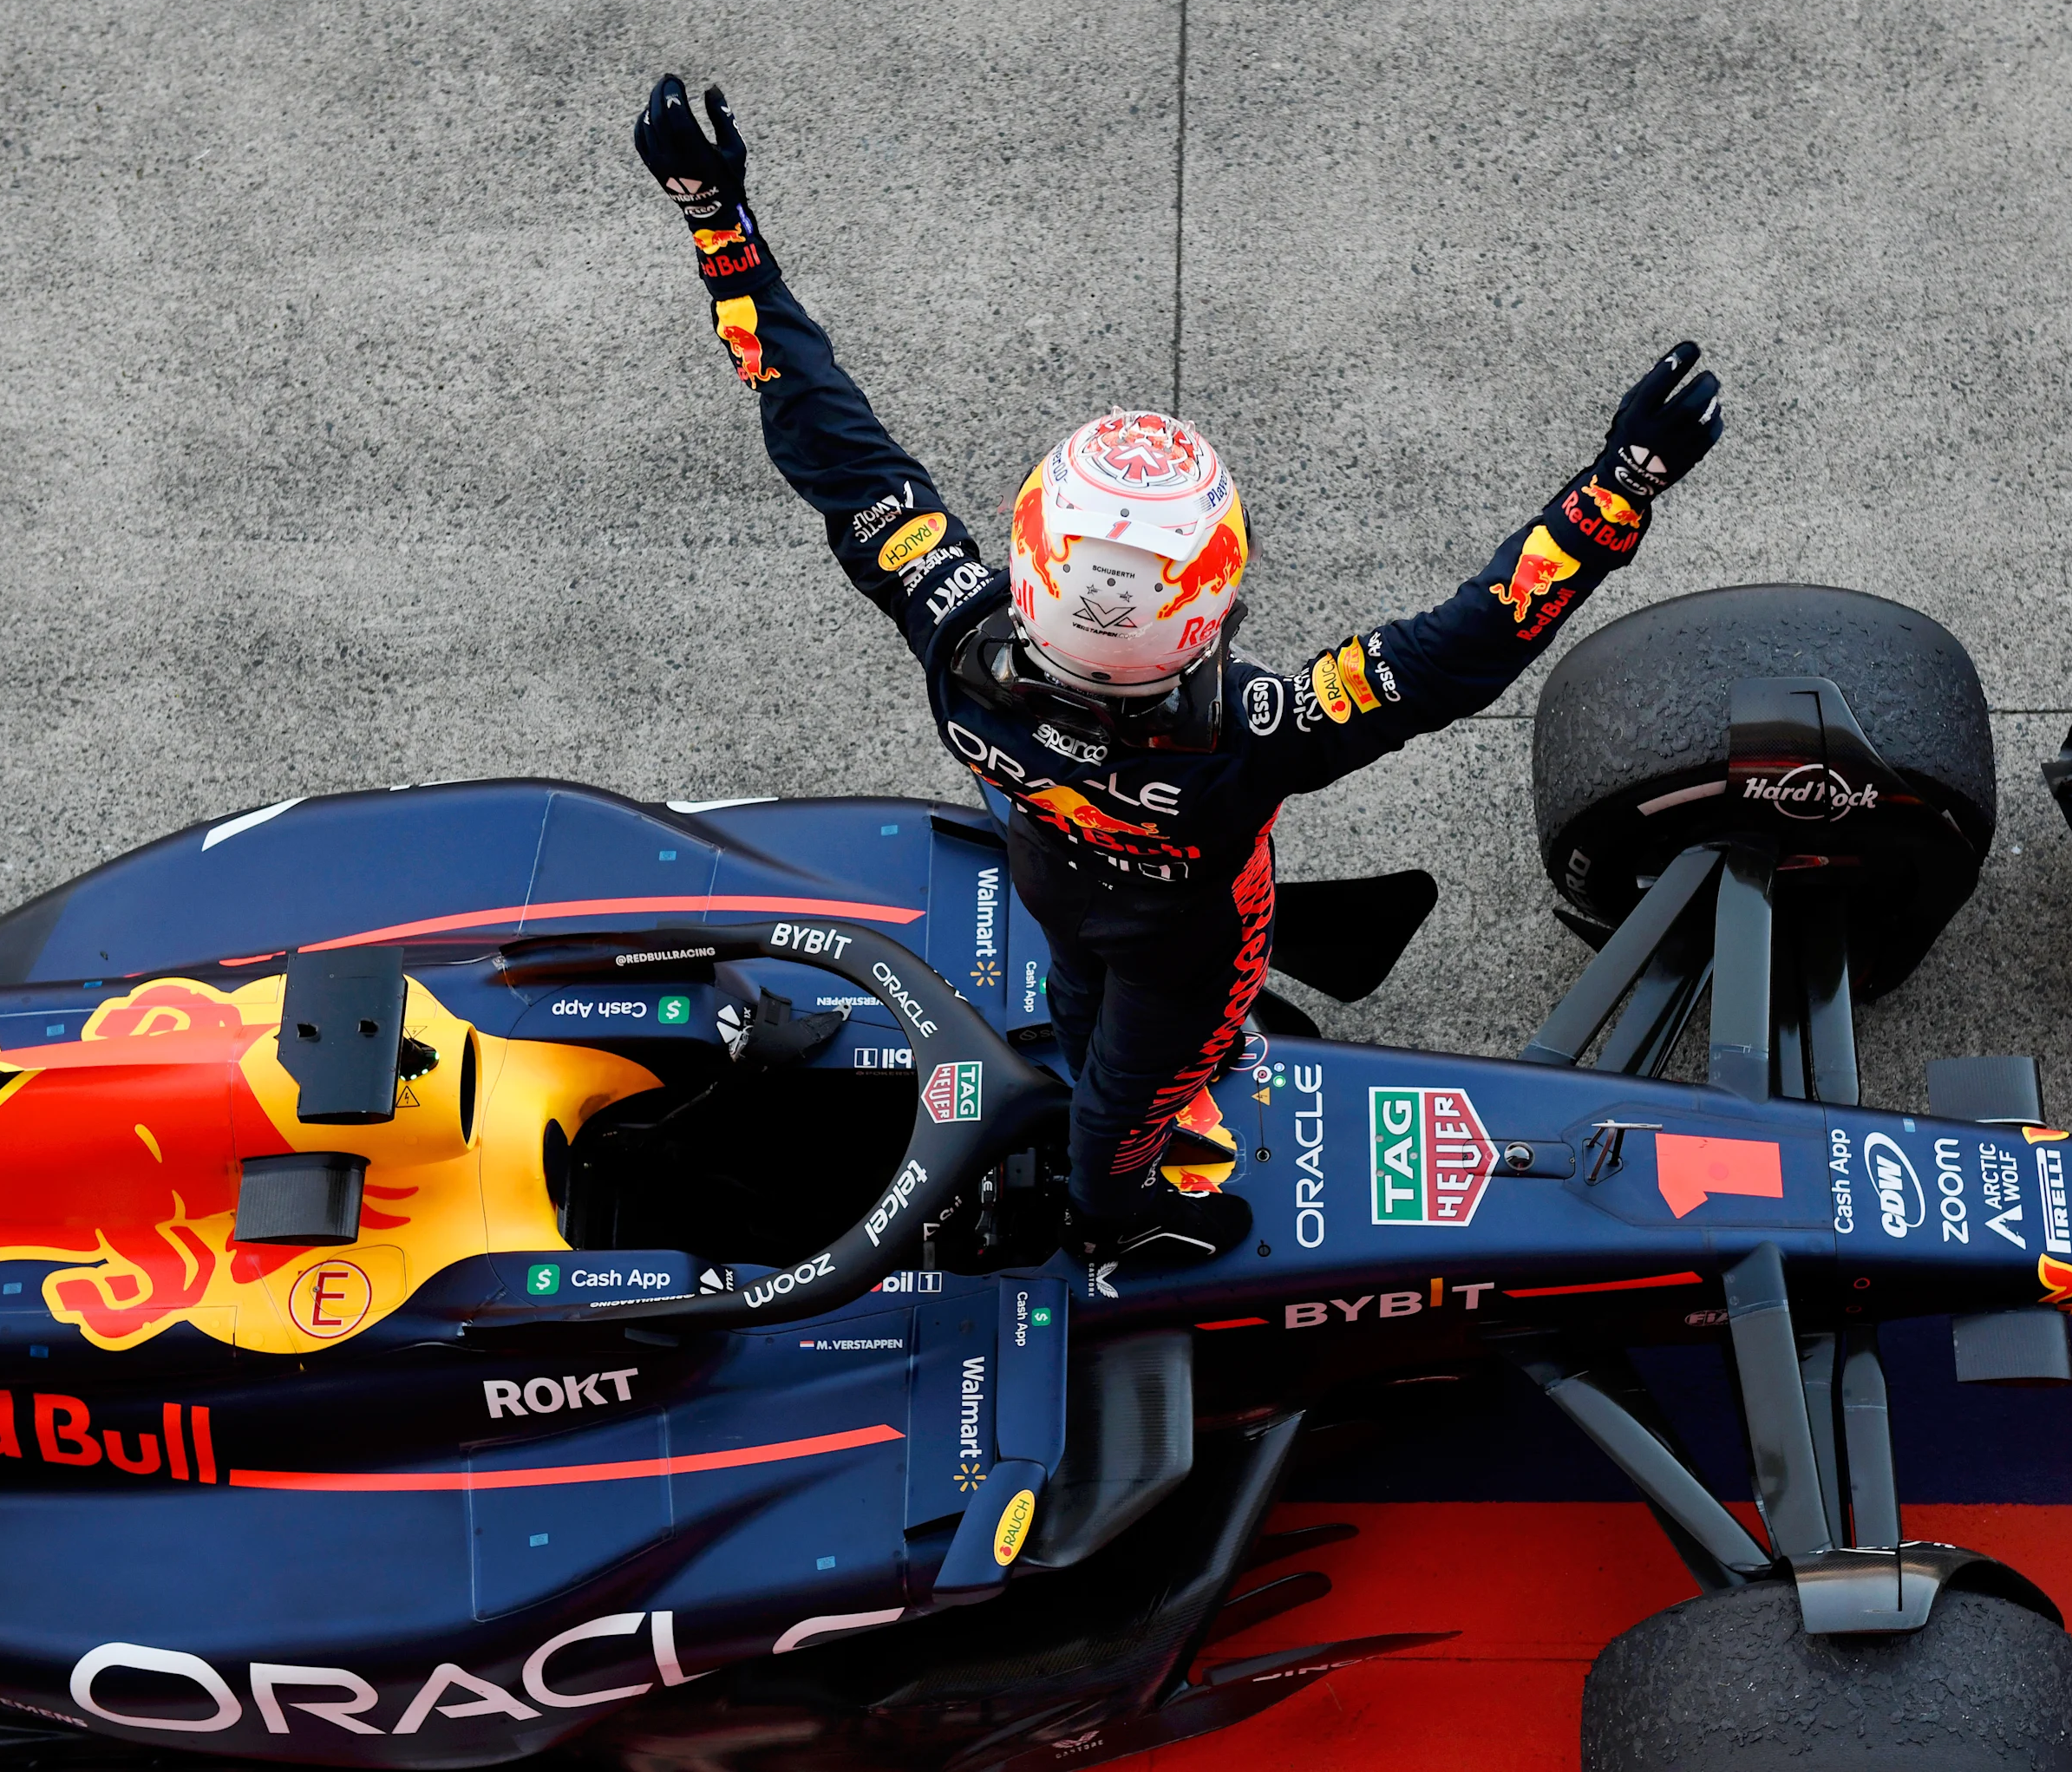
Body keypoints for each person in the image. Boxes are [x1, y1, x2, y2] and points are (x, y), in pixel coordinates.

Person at [634, 75, 1722, 1265]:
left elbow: (821, 431)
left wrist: (713, 213)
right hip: (1190, 957)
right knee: (1130, 1107)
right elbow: (1465, 647)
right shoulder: (1261, 726)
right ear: (1209, 608)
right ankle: (1118, 1219)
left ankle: (1084, 1059)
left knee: (1081, 997)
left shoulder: (951, 630)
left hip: (1053, 881)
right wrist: (1616, 491)